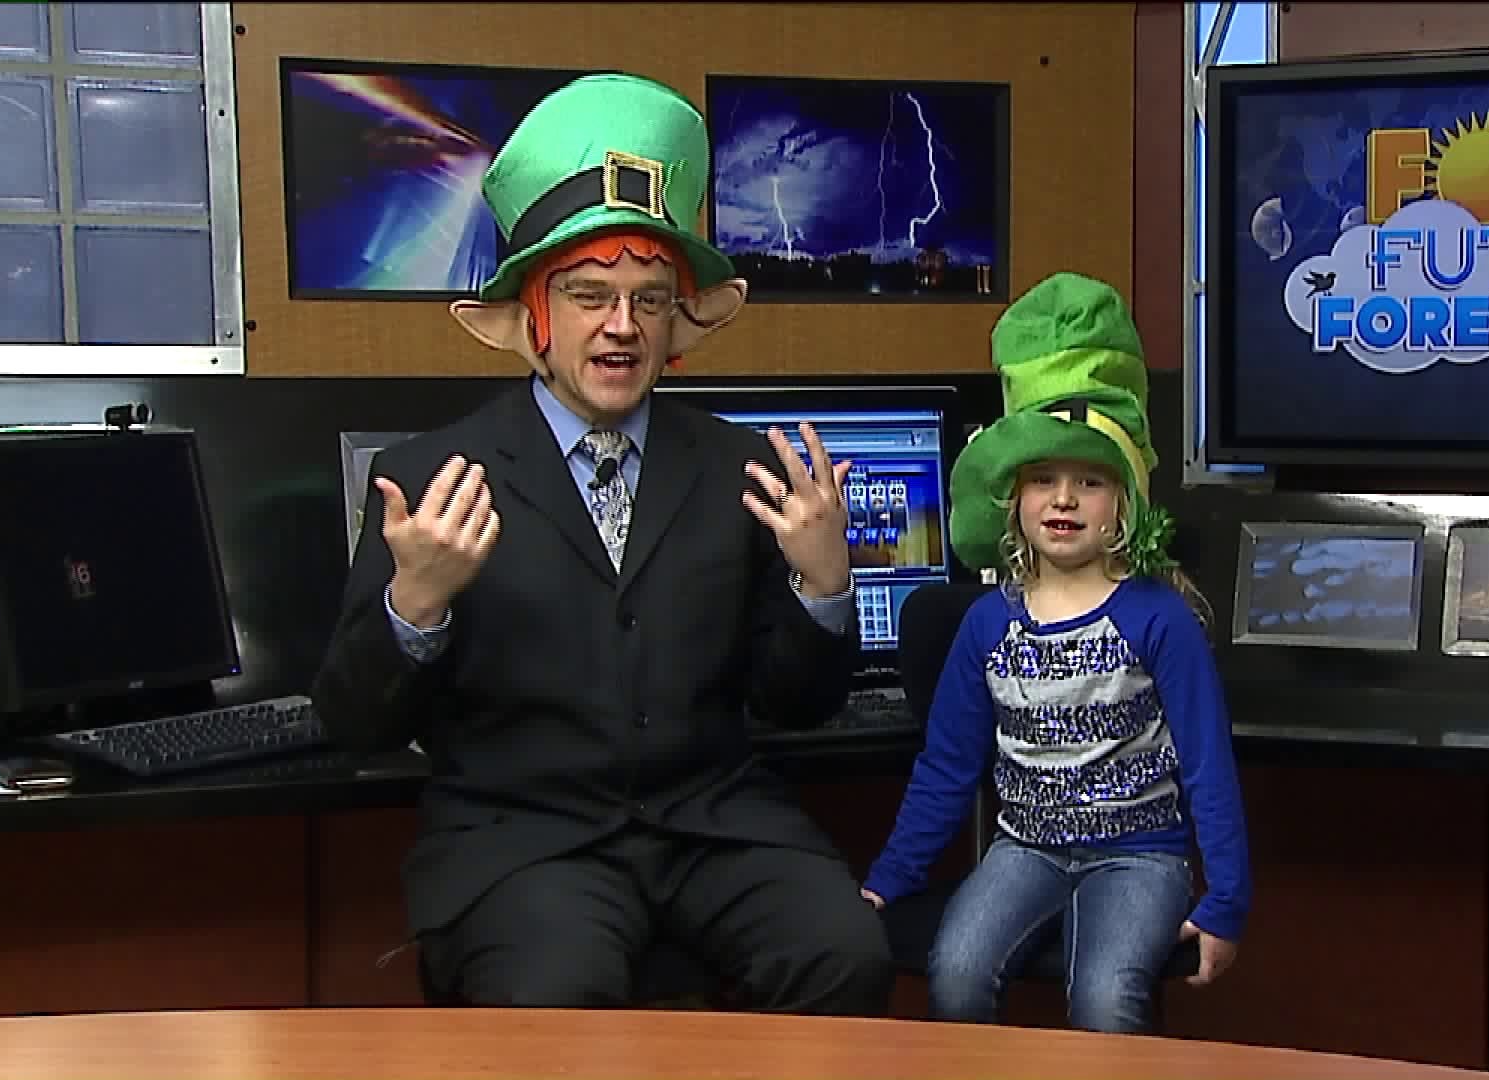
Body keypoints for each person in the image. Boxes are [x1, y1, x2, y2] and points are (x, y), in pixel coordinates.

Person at [310, 73, 893, 1013]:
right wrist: (415, 603)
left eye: (648, 299)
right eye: (589, 295)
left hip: (714, 829)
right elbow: (352, 722)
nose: (621, 326)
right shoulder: (430, 479)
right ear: (533, 320)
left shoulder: (744, 470)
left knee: (844, 953)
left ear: (676, 325)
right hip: (524, 843)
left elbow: (799, 706)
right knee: (561, 999)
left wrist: (824, 589)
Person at [858, 272, 1251, 1034]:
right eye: (1043, 479)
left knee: (1104, 999)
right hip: (1026, 849)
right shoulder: (987, 624)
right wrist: (889, 878)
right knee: (955, 971)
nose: (1064, 498)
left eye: (1089, 481)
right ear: (1014, 499)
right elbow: (946, 768)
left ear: (1123, 503)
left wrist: (1226, 901)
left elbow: (1209, 766)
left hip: (1140, 855)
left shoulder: (1159, 618)